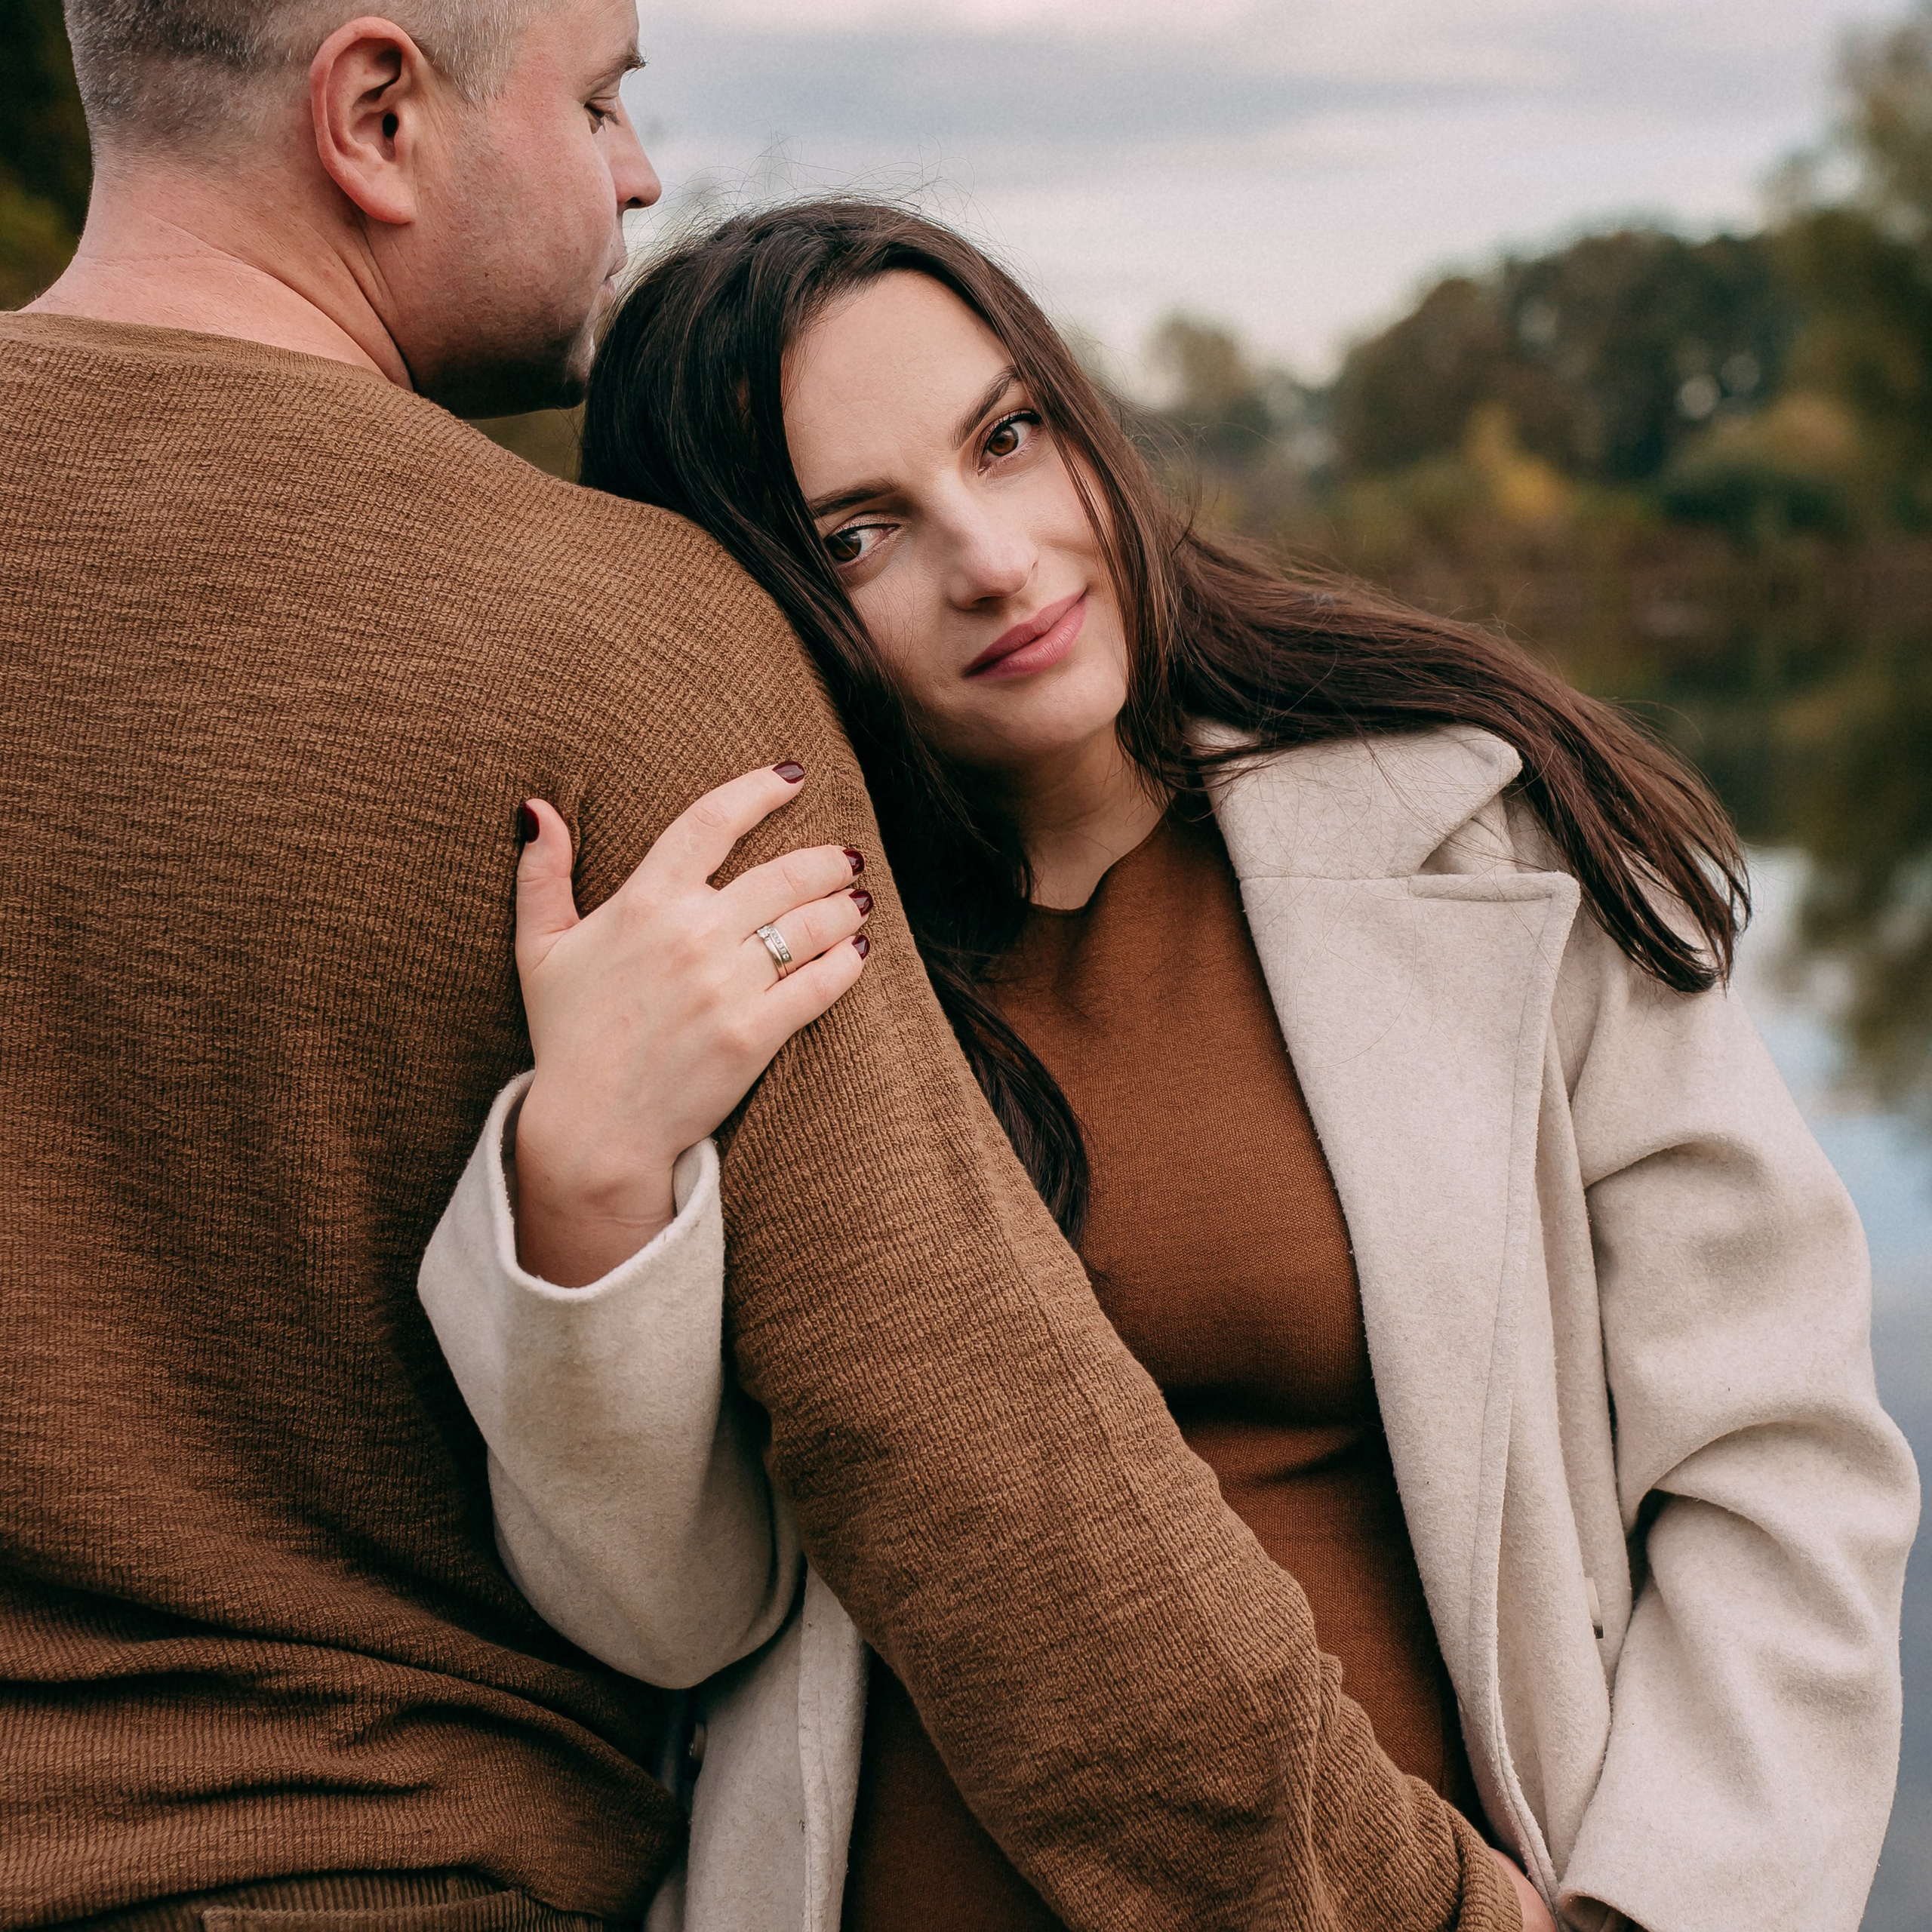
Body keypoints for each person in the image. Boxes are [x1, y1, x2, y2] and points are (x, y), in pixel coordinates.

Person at [2, 9, 1527, 1932]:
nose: (637, 170)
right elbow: (980, 1458)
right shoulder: (613, 641)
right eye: (599, 98)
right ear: (375, 116)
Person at [417, 202, 1921, 1932]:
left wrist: (1646, 1912)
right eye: (855, 533)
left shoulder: (1480, 834)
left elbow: (1777, 1466)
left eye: (1005, 436)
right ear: (744, 599)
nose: (991, 555)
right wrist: (590, 1177)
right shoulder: (763, 972)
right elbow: (670, 1616)